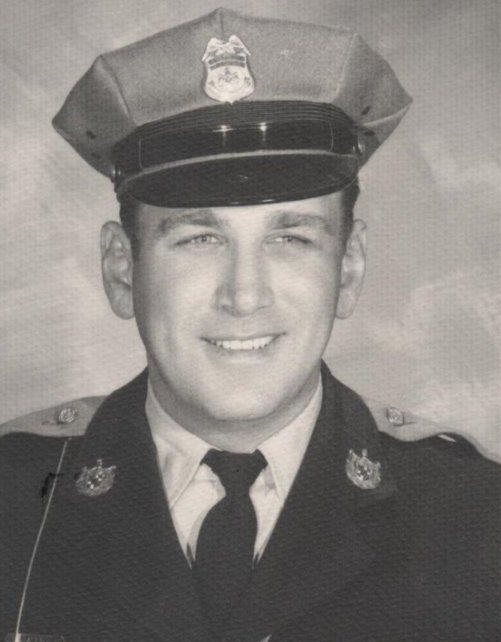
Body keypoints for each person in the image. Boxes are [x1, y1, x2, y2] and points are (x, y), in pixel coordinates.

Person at [1, 8, 500, 642]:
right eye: (199, 238)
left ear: (348, 268)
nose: (244, 295)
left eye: (291, 239)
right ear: (122, 270)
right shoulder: (13, 499)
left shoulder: (478, 519)